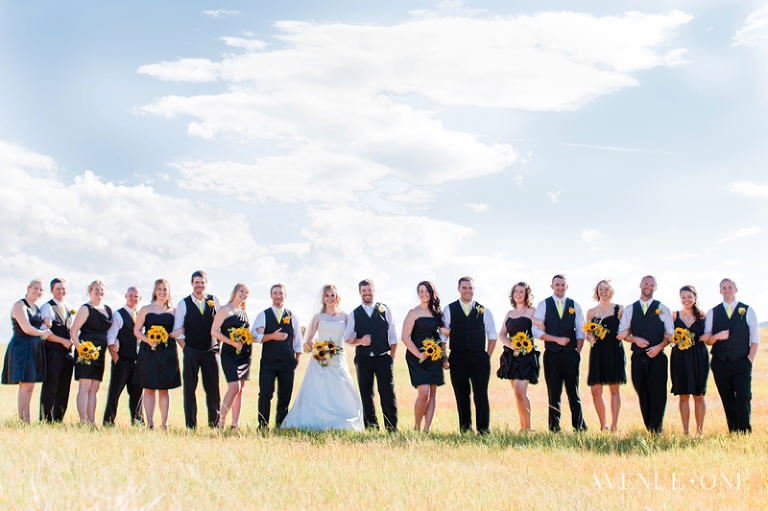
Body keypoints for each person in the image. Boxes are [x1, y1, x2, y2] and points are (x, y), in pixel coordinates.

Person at [283, 284, 364, 431]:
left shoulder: (345, 317)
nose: (330, 298)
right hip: (320, 361)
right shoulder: (318, 317)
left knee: (342, 388)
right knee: (319, 390)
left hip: (338, 359)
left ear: (337, 297)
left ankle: (342, 421)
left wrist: (355, 337)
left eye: (332, 295)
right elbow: (308, 341)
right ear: (323, 299)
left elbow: (349, 338)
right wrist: (320, 353)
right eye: (327, 295)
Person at [617, 275, 674, 434]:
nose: (648, 287)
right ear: (640, 285)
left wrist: (659, 347)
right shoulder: (630, 309)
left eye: (651, 285)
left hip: (658, 358)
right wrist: (634, 338)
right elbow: (621, 333)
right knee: (642, 392)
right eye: (646, 284)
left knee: (658, 393)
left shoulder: (663, 308)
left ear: (655, 288)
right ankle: (650, 427)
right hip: (637, 357)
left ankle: (656, 429)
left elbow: (671, 334)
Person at [702, 278, 759, 433]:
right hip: (720, 362)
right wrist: (717, 336)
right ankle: (733, 431)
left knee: (743, 396)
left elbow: (755, 340)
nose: (727, 291)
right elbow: (708, 340)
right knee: (727, 398)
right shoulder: (713, 312)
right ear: (720, 291)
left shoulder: (748, 311)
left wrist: (749, 362)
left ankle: (744, 431)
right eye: (724, 288)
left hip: (742, 362)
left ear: (736, 289)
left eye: (729, 287)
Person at [442, 276, 497, 434]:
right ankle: (465, 429)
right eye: (464, 288)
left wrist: (487, 355)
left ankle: (483, 430)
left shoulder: (484, 310)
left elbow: (492, 336)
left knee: (481, 394)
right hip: (457, 357)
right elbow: (443, 336)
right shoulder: (449, 309)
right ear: (458, 289)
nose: (468, 291)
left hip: (479, 357)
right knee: (461, 394)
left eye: (470, 288)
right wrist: (444, 357)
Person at [532, 274, 587, 432]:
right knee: (553, 392)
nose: (560, 287)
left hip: (571, 355)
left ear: (567, 287)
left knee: (573, 393)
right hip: (551, 354)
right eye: (557, 285)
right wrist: (556, 339)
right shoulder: (544, 304)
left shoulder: (574, 305)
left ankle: (579, 427)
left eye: (563, 285)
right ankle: (554, 428)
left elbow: (581, 330)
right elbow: (535, 330)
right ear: (552, 286)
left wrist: (578, 351)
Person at [345, 279, 398, 431]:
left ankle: (391, 427)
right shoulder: (355, 313)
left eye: (369, 290)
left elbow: (394, 335)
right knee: (366, 394)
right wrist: (361, 341)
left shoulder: (385, 310)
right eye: (364, 291)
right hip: (363, 359)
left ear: (374, 291)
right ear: (360, 292)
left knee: (387, 393)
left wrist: (391, 357)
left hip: (383, 357)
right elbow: (348, 339)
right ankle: (371, 427)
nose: (367, 293)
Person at [173, 270, 221, 429]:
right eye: (196, 282)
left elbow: (221, 325)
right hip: (191, 351)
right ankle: (191, 425)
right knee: (189, 389)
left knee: (213, 389)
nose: (199, 285)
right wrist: (186, 349)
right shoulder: (183, 303)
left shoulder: (214, 301)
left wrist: (218, 346)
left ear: (206, 284)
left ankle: (214, 424)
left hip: (211, 351)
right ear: (192, 283)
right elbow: (177, 330)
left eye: (202, 282)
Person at [400, 281, 449, 433]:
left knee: (433, 393)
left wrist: (444, 357)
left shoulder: (438, 313)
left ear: (431, 292)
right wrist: (419, 354)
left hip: (434, 357)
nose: (424, 294)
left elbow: (442, 337)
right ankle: (416, 426)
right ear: (418, 294)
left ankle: (426, 430)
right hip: (417, 357)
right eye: (421, 291)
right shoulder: (413, 313)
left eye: (426, 291)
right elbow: (405, 337)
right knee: (424, 393)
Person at [252, 284, 302, 428]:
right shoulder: (263, 315)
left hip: (287, 362)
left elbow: (298, 341)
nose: (278, 296)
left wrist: (297, 360)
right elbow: (254, 337)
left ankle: (281, 424)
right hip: (268, 361)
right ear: (271, 295)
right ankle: (262, 425)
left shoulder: (293, 317)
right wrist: (271, 336)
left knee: (285, 395)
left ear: (285, 295)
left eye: (281, 293)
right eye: (275, 293)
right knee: (265, 393)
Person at [134, 279, 183, 429]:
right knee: (148, 388)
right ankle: (150, 423)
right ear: (155, 291)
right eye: (159, 289)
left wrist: (180, 331)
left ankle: (164, 424)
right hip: (149, 351)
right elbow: (136, 330)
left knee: (164, 389)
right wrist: (148, 341)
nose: (162, 292)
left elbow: (182, 328)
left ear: (169, 292)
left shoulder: (174, 311)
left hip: (167, 351)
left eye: (165, 289)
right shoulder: (145, 309)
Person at [2, 280, 51, 422]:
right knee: (26, 384)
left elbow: (40, 326)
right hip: (21, 348)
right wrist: (43, 334)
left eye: (41, 290)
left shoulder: (36, 307)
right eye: (35, 288)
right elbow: (27, 328)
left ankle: (26, 420)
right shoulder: (19, 305)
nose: (38, 291)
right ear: (28, 288)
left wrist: (46, 322)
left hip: (34, 349)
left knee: (30, 385)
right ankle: (23, 421)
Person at [497, 282, 541, 433]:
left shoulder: (532, 311)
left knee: (520, 391)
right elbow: (502, 333)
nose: (518, 294)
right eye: (516, 291)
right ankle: (523, 427)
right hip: (511, 356)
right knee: (518, 394)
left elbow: (541, 326)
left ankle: (528, 428)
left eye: (521, 292)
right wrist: (510, 345)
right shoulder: (509, 314)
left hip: (526, 355)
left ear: (526, 294)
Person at [69, 280, 113, 425]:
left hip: (100, 353)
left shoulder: (107, 309)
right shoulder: (85, 308)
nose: (99, 292)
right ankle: (83, 421)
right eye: (96, 289)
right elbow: (73, 331)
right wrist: (81, 350)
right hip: (86, 353)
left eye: (101, 290)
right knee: (85, 387)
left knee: (95, 388)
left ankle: (92, 421)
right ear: (90, 291)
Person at [585, 280, 626, 431]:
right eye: (600, 289)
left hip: (614, 351)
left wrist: (624, 334)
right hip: (597, 353)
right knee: (595, 390)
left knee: (614, 390)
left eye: (606, 289)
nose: (603, 291)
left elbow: (627, 328)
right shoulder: (591, 312)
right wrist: (591, 338)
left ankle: (614, 425)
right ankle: (604, 424)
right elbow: (587, 333)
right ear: (597, 292)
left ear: (611, 291)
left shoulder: (620, 309)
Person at [212, 283, 251, 428]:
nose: (244, 294)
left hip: (243, 354)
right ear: (235, 291)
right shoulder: (224, 310)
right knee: (234, 387)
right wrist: (232, 342)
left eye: (246, 293)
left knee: (241, 389)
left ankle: (235, 425)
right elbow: (214, 331)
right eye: (242, 291)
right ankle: (220, 423)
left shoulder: (244, 312)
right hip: (229, 353)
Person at [102, 287, 144, 426]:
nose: (133, 298)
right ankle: (109, 422)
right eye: (130, 295)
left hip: (137, 362)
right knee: (115, 394)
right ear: (126, 296)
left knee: (137, 395)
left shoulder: (140, 315)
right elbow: (110, 338)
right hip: (122, 361)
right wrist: (117, 360)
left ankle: (138, 421)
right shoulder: (119, 315)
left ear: (140, 298)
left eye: (136, 296)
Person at [670, 285, 708, 435]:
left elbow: (709, 335)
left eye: (689, 297)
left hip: (699, 357)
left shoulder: (703, 316)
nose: (686, 300)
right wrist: (676, 340)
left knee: (699, 394)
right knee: (683, 394)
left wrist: (707, 337)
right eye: (683, 297)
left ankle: (700, 431)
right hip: (680, 358)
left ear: (695, 297)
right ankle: (686, 431)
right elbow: (668, 338)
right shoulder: (674, 315)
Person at [39, 277, 75, 422]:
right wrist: (64, 341)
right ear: (52, 290)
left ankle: (58, 419)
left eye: (63, 288)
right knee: (50, 387)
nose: (61, 291)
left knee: (64, 388)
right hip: (53, 352)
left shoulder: (68, 309)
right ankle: (45, 419)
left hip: (68, 354)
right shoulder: (47, 307)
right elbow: (45, 333)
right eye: (58, 289)